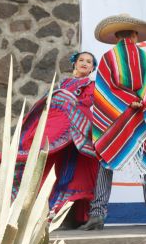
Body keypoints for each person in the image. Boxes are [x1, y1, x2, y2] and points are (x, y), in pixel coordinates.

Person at [80, 14, 146, 230]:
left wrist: (126, 103)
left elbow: (104, 93)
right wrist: (141, 103)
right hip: (142, 119)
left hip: (116, 117)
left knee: (107, 158)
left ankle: (97, 215)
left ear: (116, 36)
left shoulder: (109, 58)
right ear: (135, 35)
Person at [7, 52, 100, 228]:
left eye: (89, 62)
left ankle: (65, 216)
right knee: (49, 170)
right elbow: (49, 102)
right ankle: (43, 214)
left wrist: (70, 104)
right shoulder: (62, 84)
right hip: (55, 131)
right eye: (81, 60)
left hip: (77, 135)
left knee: (73, 174)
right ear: (74, 64)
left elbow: (87, 102)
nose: (85, 63)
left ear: (92, 68)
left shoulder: (91, 85)